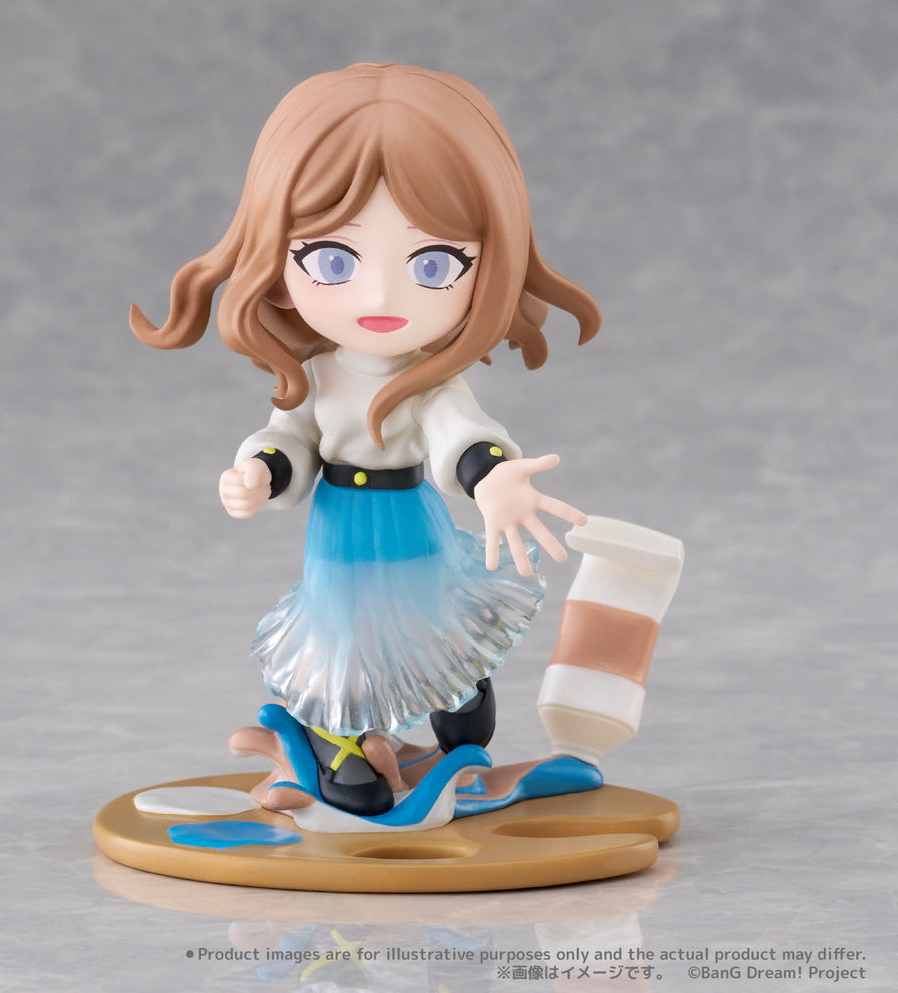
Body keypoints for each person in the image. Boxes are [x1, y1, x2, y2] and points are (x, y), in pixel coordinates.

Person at [130, 63, 601, 815]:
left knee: (429, 620)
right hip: (339, 531)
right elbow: (290, 436)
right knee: (342, 636)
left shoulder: (430, 380)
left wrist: (492, 477)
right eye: (334, 260)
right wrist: (260, 472)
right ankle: (344, 742)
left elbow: (459, 434)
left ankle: (453, 696)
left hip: (411, 518)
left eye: (435, 263)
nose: (380, 295)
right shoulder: (318, 376)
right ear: (275, 261)